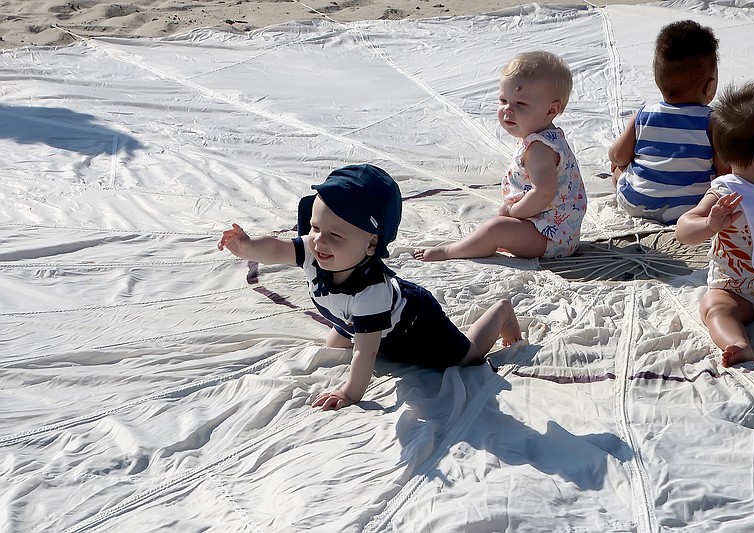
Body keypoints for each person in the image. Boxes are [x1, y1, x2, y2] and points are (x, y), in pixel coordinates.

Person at [218, 164, 522, 410]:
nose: (319, 240)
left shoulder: (370, 293)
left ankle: (501, 312)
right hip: (356, 320)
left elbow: (365, 354)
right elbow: (274, 248)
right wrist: (245, 246)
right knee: (334, 344)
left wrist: (350, 393)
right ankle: (350, 327)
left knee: (467, 359)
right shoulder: (315, 249)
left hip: (417, 327)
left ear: (371, 244)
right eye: (315, 227)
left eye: (335, 235)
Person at [414, 51, 586, 262]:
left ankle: (451, 252)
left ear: (551, 110)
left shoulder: (539, 149)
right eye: (503, 100)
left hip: (548, 237)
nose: (507, 110)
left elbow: (543, 193)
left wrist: (514, 212)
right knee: (499, 228)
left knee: (495, 229)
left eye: (521, 104)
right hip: (556, 231)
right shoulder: (548, 137)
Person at [675, 82, 754, 367]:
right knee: (714, 306)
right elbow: (683, 229)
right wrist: (710, 223)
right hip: (736, 291)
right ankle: (737, 342)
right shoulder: (726, 192)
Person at [608, 20, 728, 225]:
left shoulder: (643, 115)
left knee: (617, 169)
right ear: (710, 86)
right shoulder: (712, 121)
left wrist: (618, 163)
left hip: (636, 204)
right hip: (689, 209)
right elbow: (723, 169)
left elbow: (617, 156)